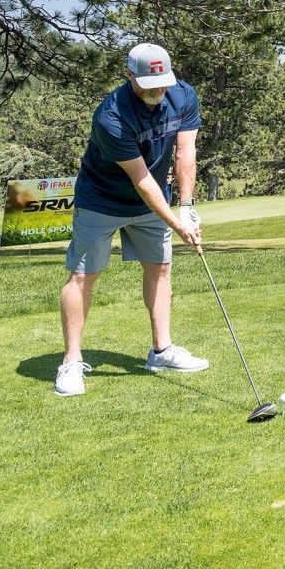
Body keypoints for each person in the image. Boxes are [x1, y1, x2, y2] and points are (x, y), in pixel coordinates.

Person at [55, 43, 209, 397]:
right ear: (129, 76)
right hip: (102, 199)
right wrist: (175, 223)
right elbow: (140, 180)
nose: (158, 90)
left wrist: (186, 206)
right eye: (149, 83)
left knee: (161, 267)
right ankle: (72, 361)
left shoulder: (183, 96)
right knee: (82, 274)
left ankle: (161, 351)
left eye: (163, 82)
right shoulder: (111, 116)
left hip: (152, 203)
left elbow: (185, 151)